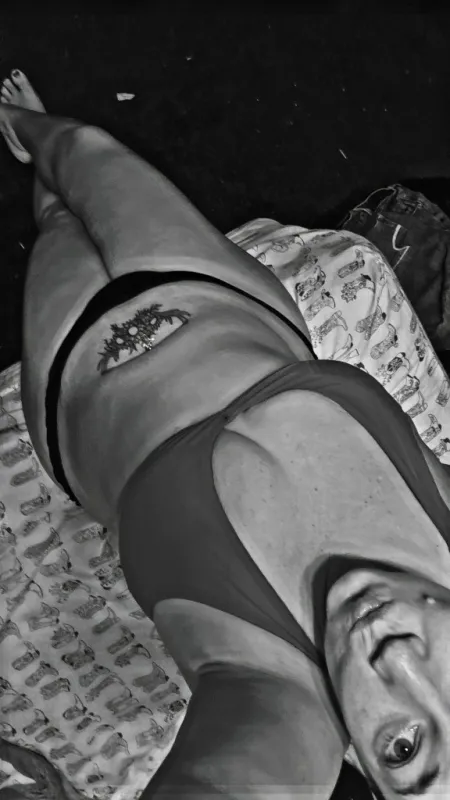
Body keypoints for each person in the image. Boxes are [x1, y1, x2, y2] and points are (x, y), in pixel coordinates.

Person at [2, 70, 450, 800]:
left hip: (67, 373)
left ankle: (40, 171)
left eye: (403, 748)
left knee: (58, 221)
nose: (397, 658)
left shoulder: (284, 702)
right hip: (225, 294)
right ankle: (33, 138)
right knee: (82, 148)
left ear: (366, 777)